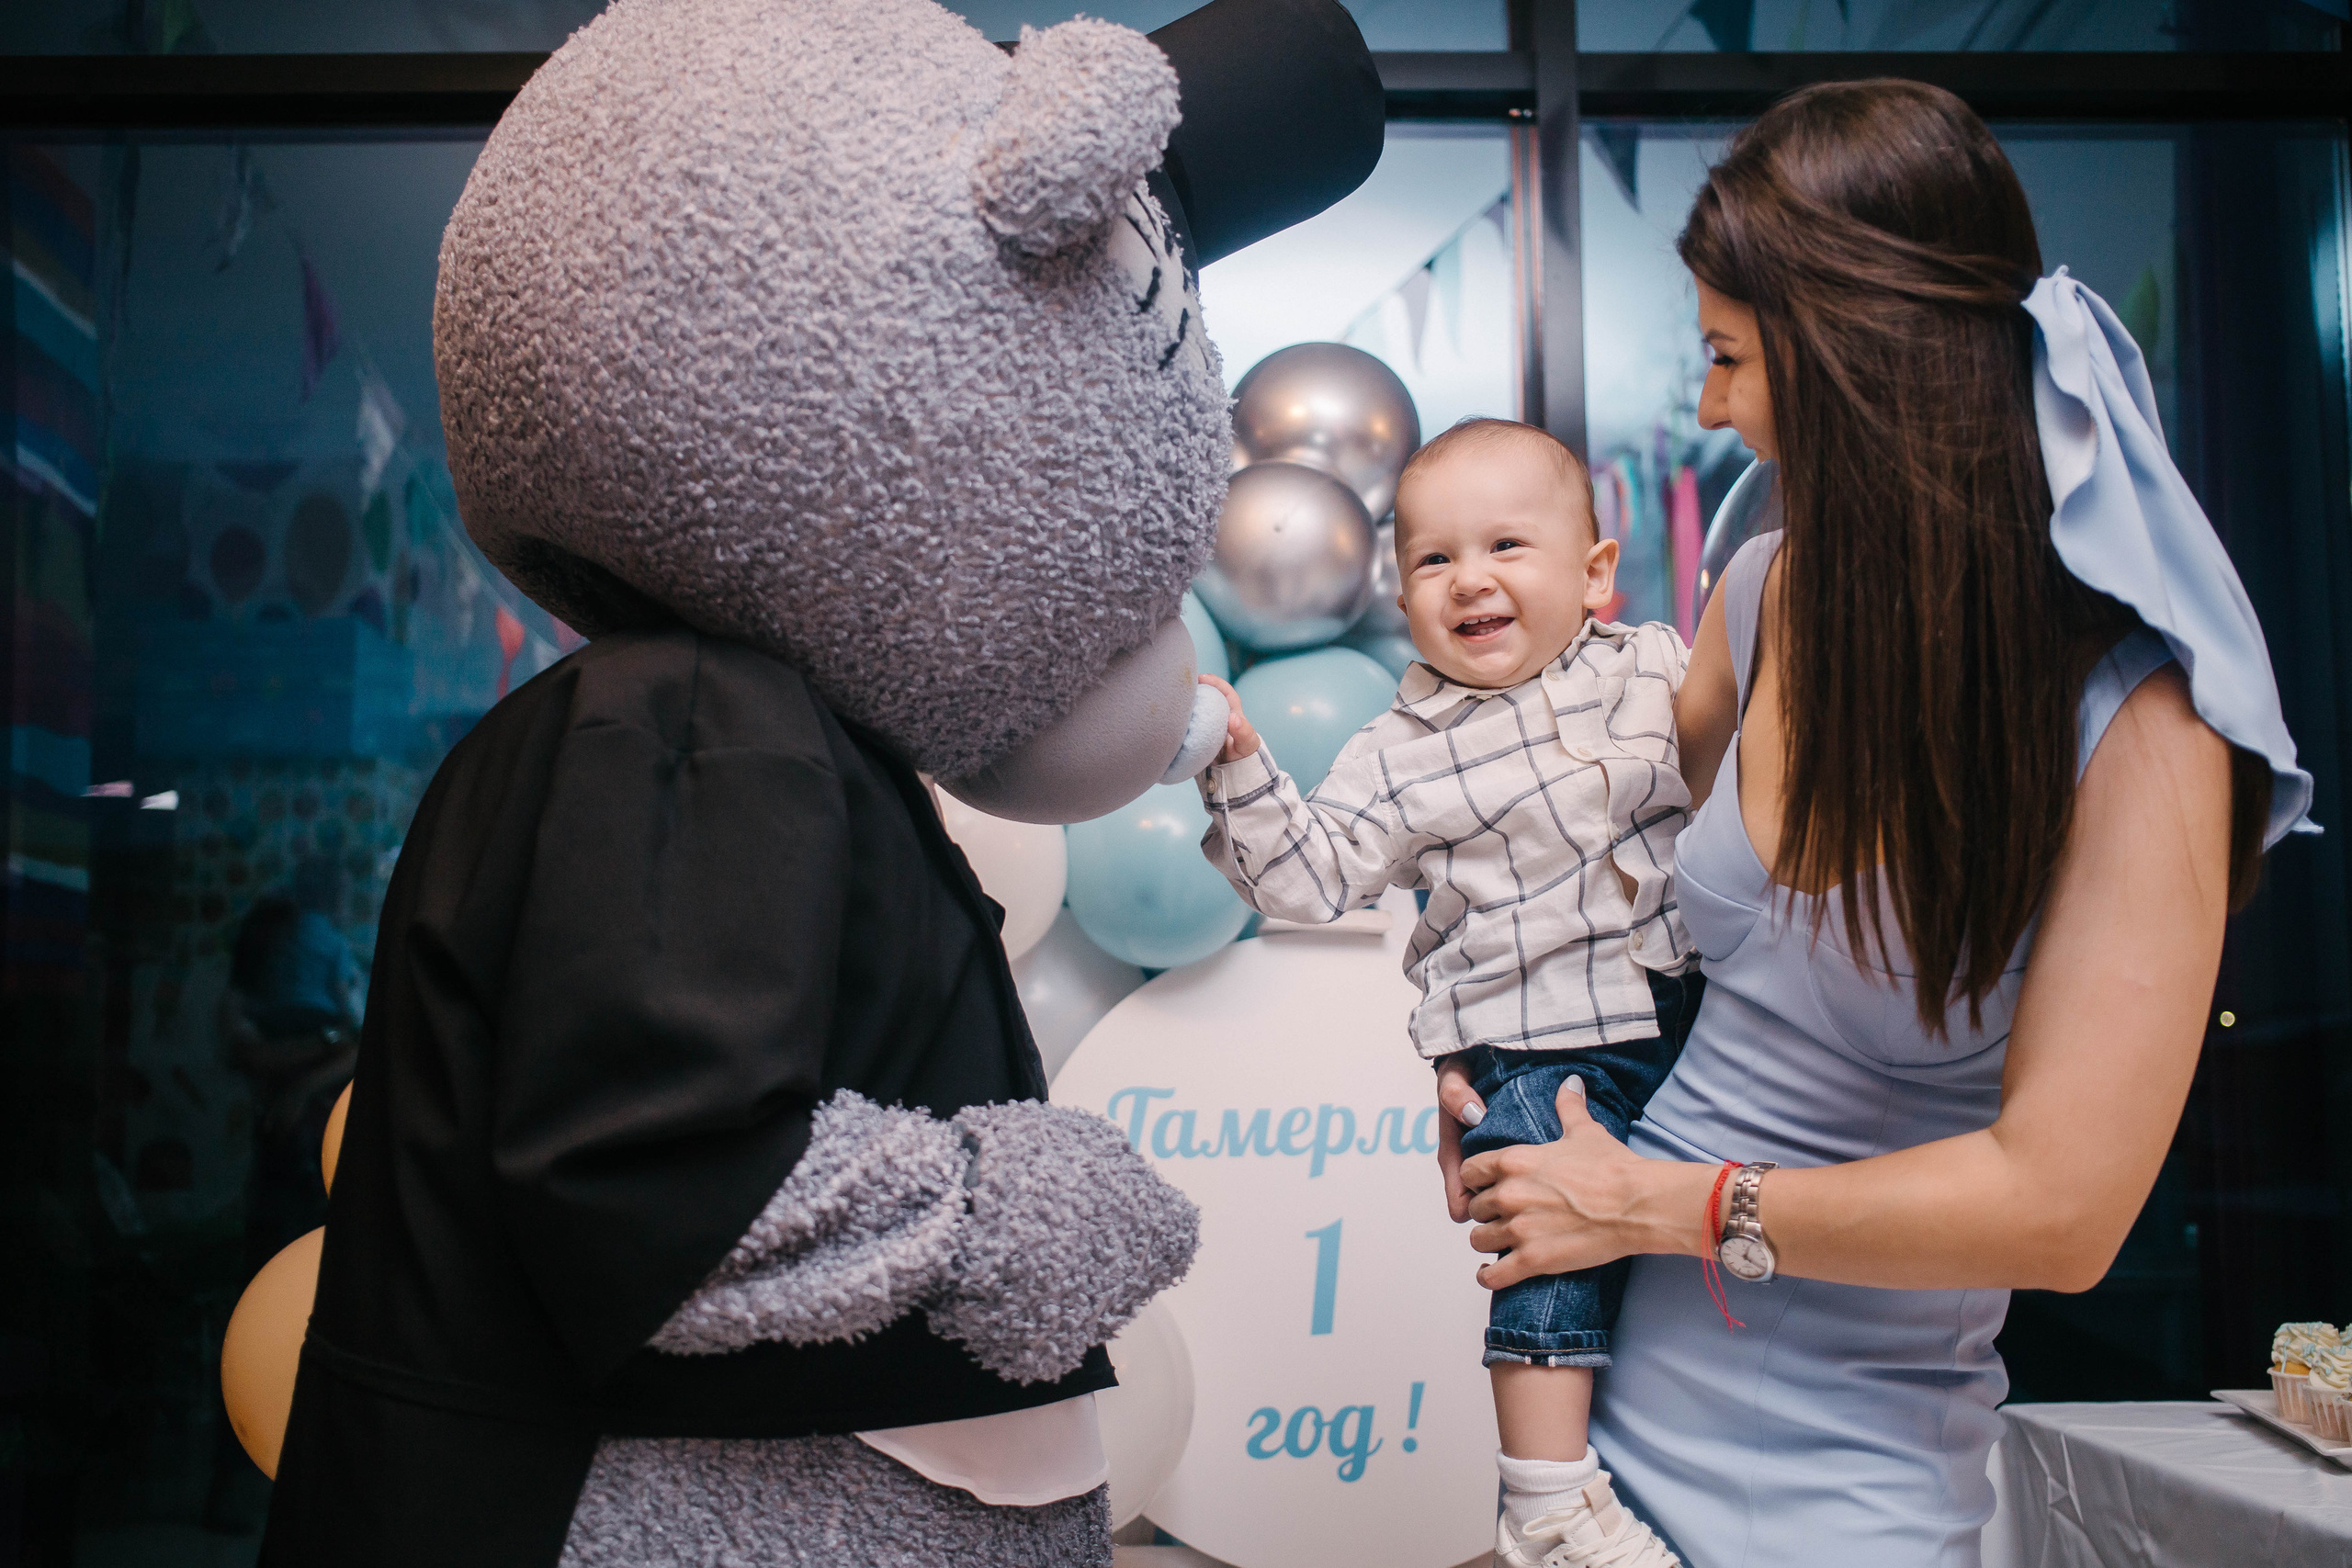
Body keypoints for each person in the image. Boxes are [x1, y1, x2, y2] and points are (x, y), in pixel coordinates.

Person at [1433, 81, 2312, 1567]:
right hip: (1593, 1440)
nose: (1708, 406)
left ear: (1854, 359)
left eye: (1726, 355)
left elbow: (2063, 1210)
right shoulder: (1764, 598)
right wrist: (1514, 1076)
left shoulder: (2139, 725)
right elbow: (1616, 893)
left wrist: (1652, 1200)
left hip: (1841, 1490)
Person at [1198, 418, 1699, 1568]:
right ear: (1399, 587)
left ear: (1594, 575)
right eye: (1432, 559)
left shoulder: (1656, 669)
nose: (1469, 577)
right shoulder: (1399, 747)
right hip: (1536, 1047)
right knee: (1547, 1251)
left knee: (1685, 1271)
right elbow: (1309, 878)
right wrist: (1237, 757)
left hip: (1688, 1020)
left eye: (1507, 546)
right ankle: (1547, 1501)